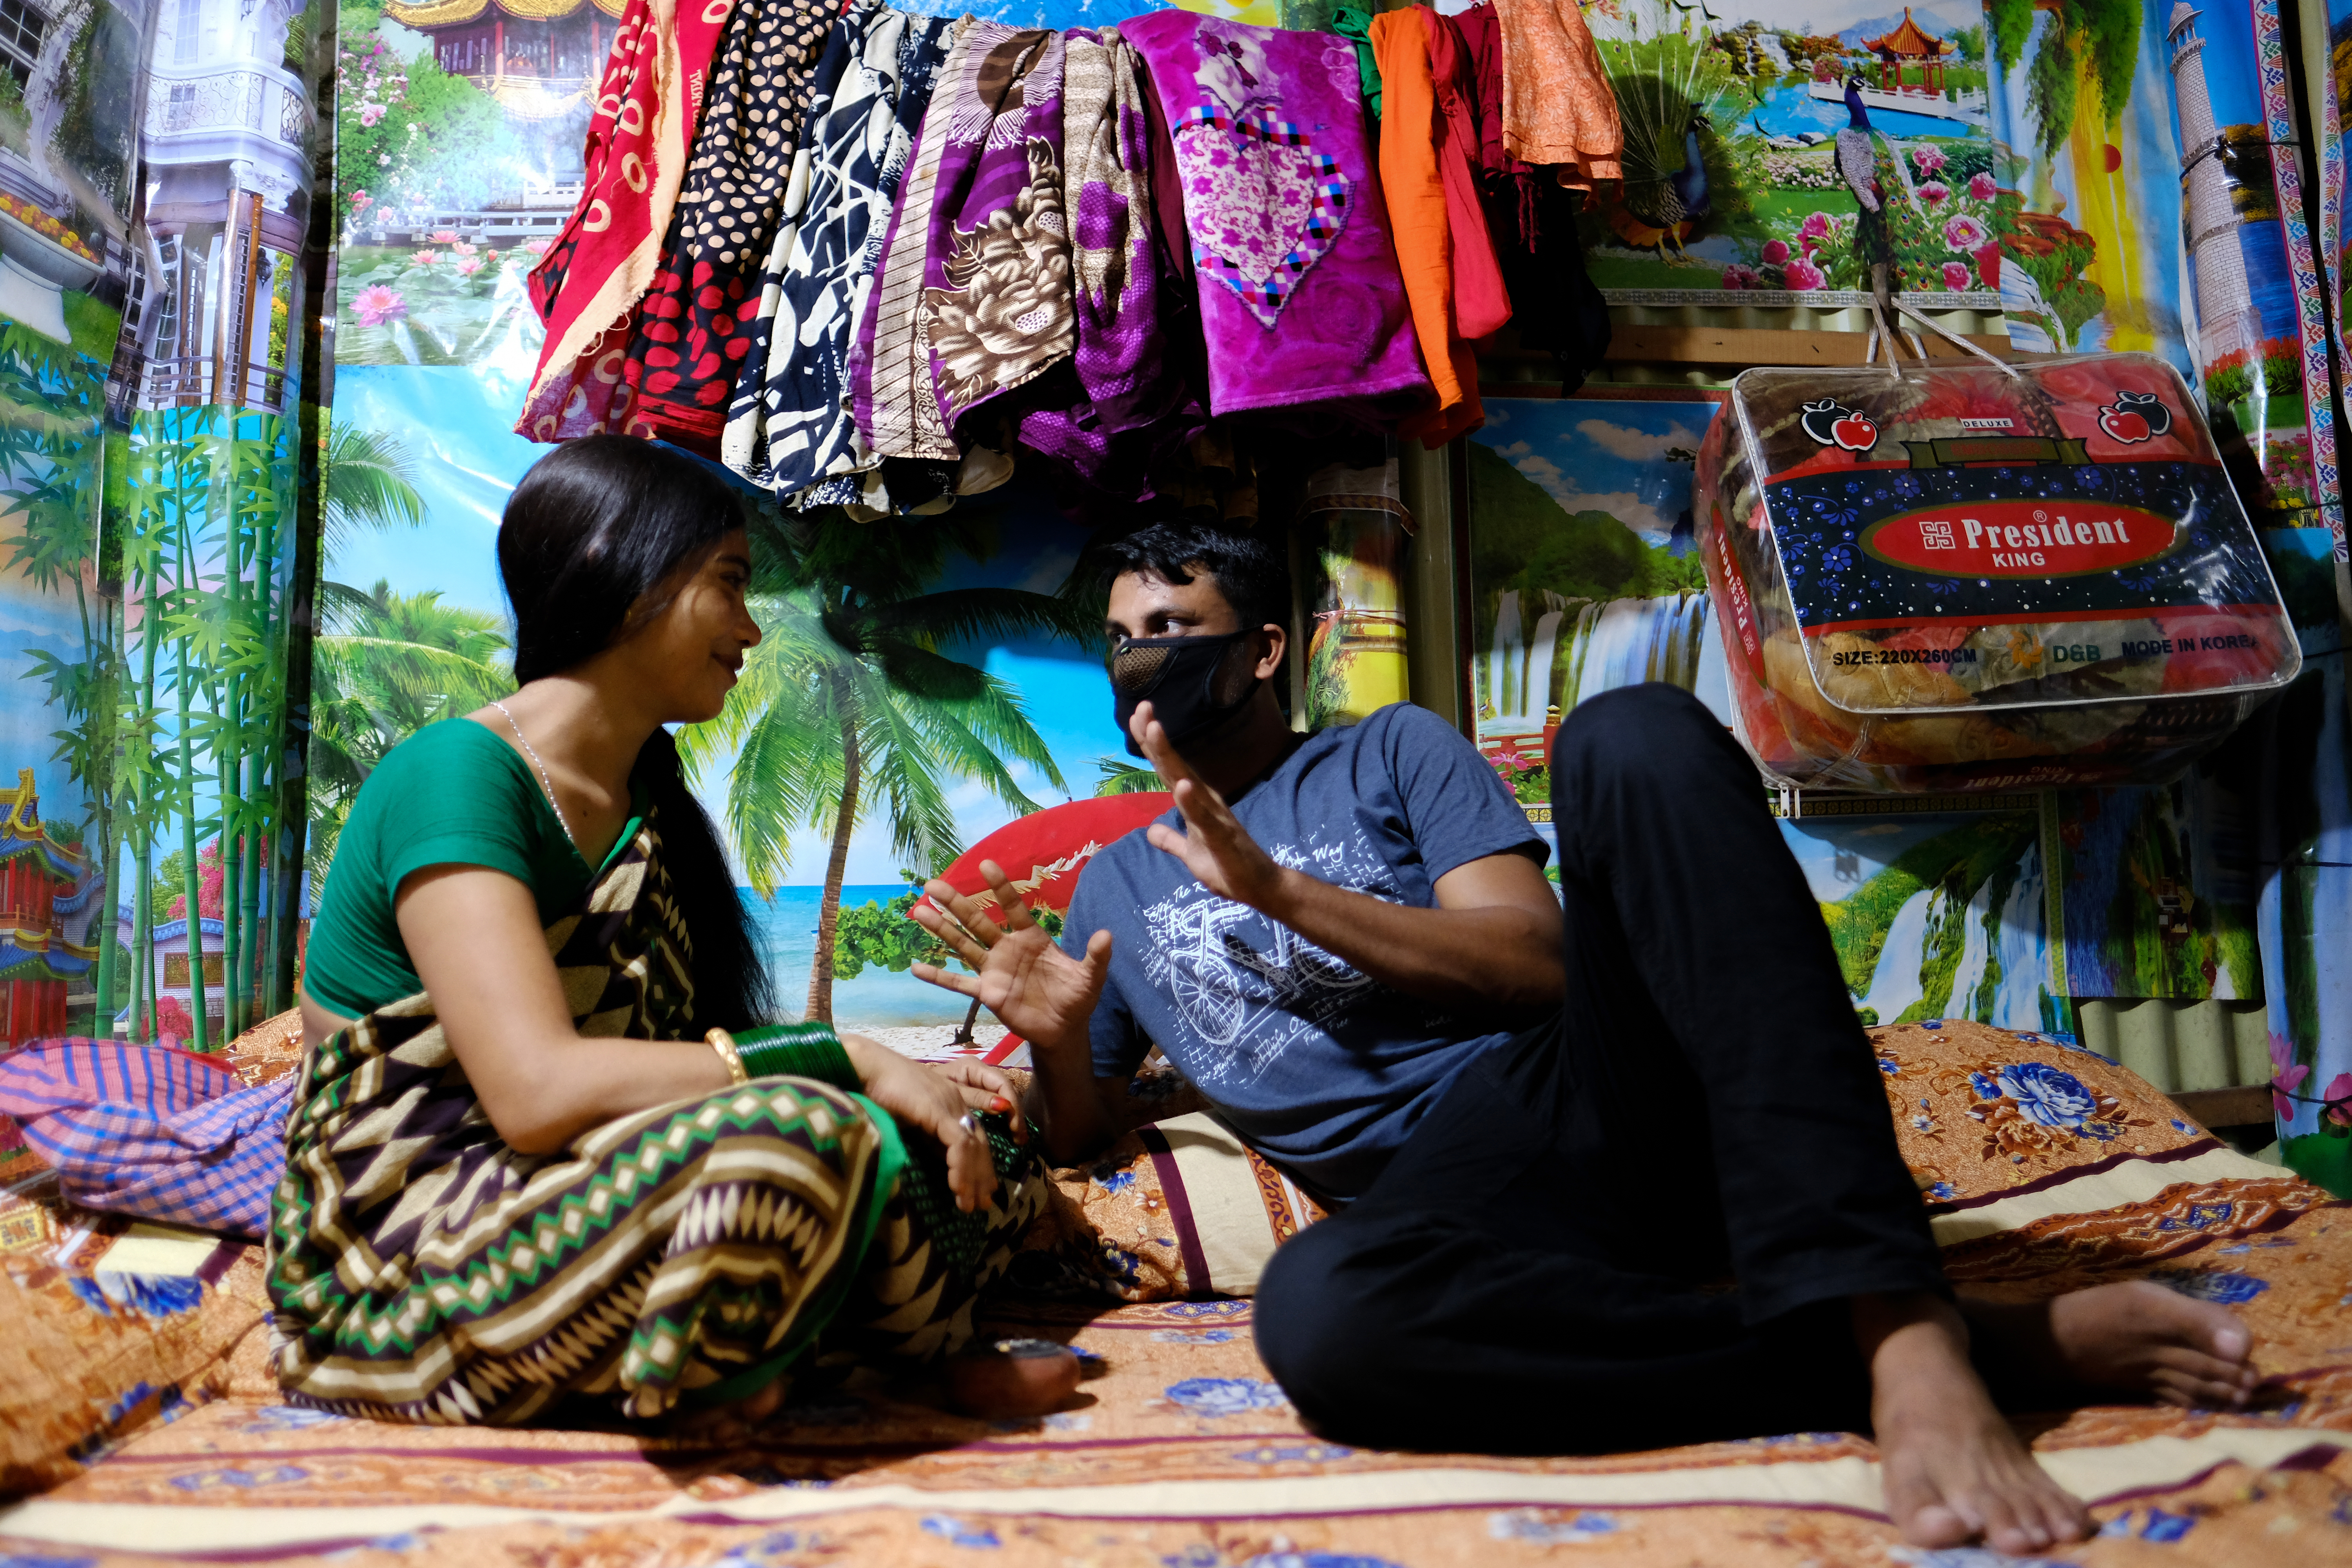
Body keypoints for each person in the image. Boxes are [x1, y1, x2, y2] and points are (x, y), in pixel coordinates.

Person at [909, 521, 2267, 1556]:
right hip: (1452, 1210)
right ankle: (1976, 1348)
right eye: (1124, 635)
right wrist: (1066, 1042)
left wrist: (1280, 893)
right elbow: (1086, 1137)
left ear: (1262, 649)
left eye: (1176, 624)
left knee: (1633, 734)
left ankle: (1902, 1328)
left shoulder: (1390, 754)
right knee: (1321, 1321)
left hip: (1598, 1091)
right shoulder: (1116, 885)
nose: (1144, 655)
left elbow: (1535, 967)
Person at [270, 436, 1044, 1434]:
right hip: (415, 1248)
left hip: (594, 1184)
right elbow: (536, 1094)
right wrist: (844, 1054)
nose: (753, 629)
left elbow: (681, 1067)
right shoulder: (457, 773)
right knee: (807, 1137)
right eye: (729, 583)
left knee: (980, 1147)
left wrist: (913, 1081)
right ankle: (823, 1356)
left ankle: (736, 1349)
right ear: (614, 566)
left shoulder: (650, 801)